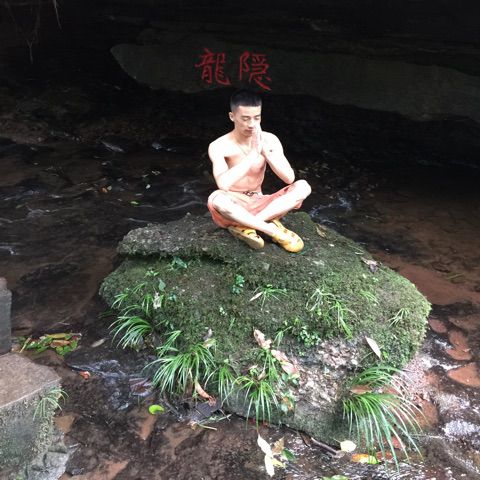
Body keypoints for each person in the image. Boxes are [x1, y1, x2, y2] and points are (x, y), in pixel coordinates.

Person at [207, 89, 311, 252]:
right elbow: (223, 184)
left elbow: (289, 178)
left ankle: (247, 225)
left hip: (260, 201)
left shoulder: (270, 139)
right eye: (245, 118)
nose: (251, 124)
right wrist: (253, 153)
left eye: (256, 118)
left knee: (303, 186)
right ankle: (271, 229)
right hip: (234, 204)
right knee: (216, 199)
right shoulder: (218, 146)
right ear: (232, 116)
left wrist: (266, 153)